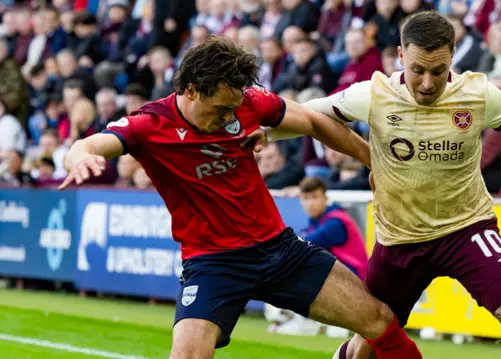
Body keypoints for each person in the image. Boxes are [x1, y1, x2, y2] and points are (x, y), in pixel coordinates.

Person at [264, 11, 501, 359]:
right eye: (417, 70)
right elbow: (308, 114)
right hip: (399, 242)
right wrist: (259, 135)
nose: (426, 83)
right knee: (369, 345)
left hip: (466, 230)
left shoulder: (476, 94)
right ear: (402, 55)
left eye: (437, 71)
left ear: (453, 55)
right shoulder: (374, 94)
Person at [58, 36, 421, 359]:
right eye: (221, 110)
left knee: (380, 322)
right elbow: (88, 144)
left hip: (280, 252)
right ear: (190, 90)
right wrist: (80, 157)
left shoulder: (247, 102)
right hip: (214, 264)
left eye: (235, 108)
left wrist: (375, 162)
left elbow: (311, 121)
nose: (231, 117)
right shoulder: (149, 125)